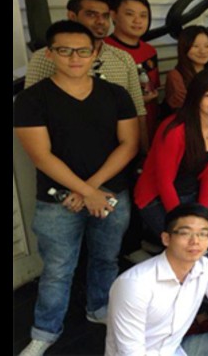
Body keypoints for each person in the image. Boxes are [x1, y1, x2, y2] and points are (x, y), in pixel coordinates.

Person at [15, 21, 139, 356]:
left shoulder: (116, 94)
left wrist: (90, 190)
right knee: (57, 269)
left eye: (82, 50)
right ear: (51, 53)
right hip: (58, 202)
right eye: (65, 50)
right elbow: (40, 156)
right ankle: (45, 331)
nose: (74, 57)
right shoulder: (31, 99)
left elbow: (128, 145)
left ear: (95, 52)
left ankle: (100, 308)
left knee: (106, 258)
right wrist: (87, 191)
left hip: (110, 195)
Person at [105, 203, 208, 356]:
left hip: (175, 349)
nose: (195, 241)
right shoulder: (134, 285)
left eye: (203, 234)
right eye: (185, 233)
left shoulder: (204, 268)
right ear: (166, 239)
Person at [24, 0, 147, 152]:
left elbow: (138, 108)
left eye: (105, 16)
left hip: (119, 152)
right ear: (72, 16)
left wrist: (145, 153)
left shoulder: (123, 58)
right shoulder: (46, 57)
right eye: (91, 15)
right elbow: (33, 110)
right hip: (66, 153)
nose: (100, 21)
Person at [134, 69, 208, 260]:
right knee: (195, 254)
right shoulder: (176, 129)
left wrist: (202, 215)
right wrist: (183, 221)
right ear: (196, 96)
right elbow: (164, 182)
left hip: (190, 195)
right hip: (156, 198)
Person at [104, 0, 160, 140]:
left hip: (150, 124)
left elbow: (154, 85)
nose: (138, 21)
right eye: (130, 14)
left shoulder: (150, 51)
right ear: (113, 15)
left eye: (143, 15)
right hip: (119, 130)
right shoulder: (103, 50)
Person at [164, 26, 208, 114]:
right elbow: (184, 107)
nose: (202, 51)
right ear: (184, 47)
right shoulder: (175, 76)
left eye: (207, 46)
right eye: (195, 46)